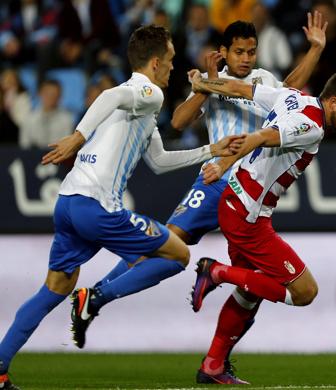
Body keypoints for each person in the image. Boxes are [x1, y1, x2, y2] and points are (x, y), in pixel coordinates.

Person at [77, 12, 327, 379]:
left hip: (249, 188)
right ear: (224, 52)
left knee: (250, 283)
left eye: (252, 51)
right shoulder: (212, 82)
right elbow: (178, 121)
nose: (246, 58)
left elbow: (290, 88)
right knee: (167, 242)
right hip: (213, 182)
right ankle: (98, 294)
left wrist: (315, 49)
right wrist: (202, 87)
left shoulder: (262, 80)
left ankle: (215, 363)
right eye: (239, 51)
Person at [0, 25, 243, 390]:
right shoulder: (144, 92)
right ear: (156, 62)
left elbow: (159, 162)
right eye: (172, 61)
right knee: (178, 255)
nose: (174, 68)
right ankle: (94, 298)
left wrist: (213, 149)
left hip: (68, 204)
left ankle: (0, 366)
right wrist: (77, 137)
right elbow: (110, 96)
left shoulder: (142, 109)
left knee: (53, 288)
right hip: (97, 207)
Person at [188, 69, 336, 384]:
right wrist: (224, 163)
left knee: (249, 294)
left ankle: (213, 366)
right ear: (335, 102)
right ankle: (216, 272)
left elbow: (238, 89)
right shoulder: (311, 127)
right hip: (248, 217)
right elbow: (262, 136)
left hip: (237, 204)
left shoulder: (292, 97)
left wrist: (202, 83)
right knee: (304, 291)